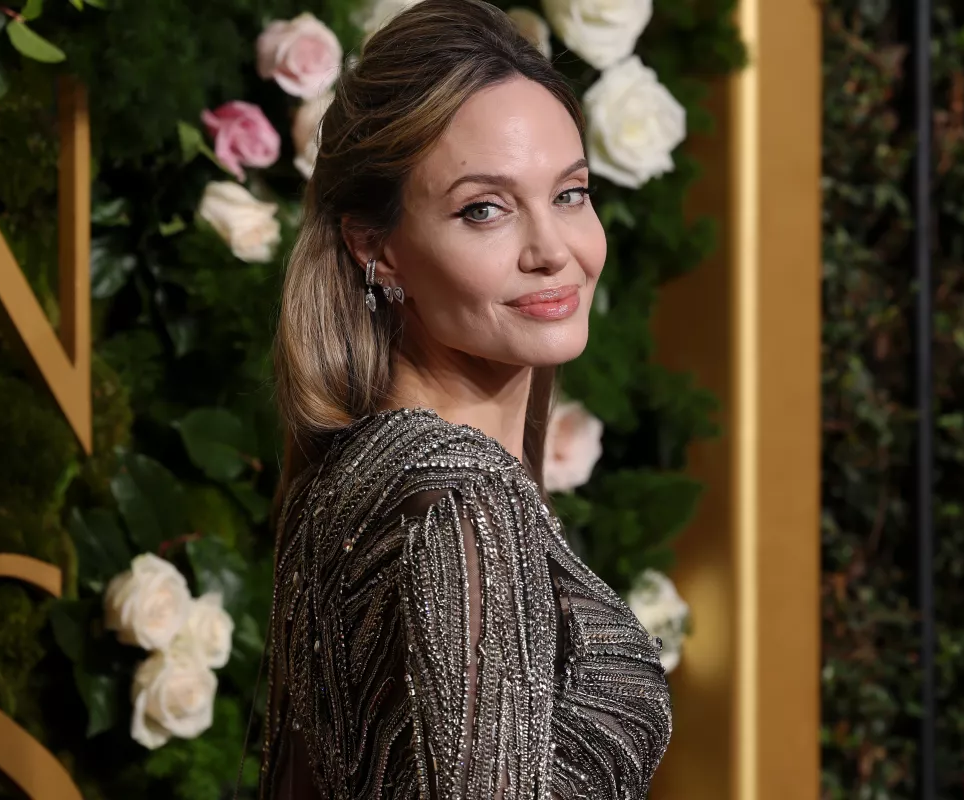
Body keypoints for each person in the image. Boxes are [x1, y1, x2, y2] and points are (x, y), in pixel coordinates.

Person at [256, 0, 673, 796]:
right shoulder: (462, 499)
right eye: (484, 209)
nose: (552, 251)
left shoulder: (355, 472)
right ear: (374, 247)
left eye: (570, 194)